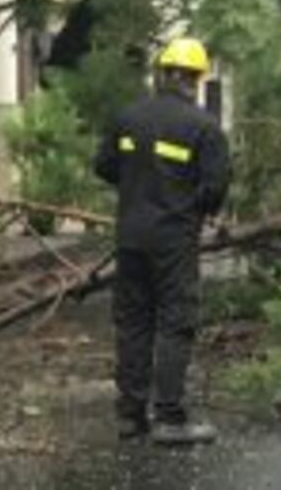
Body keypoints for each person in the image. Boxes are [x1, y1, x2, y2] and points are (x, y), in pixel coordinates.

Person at [94, 37, 231, 445]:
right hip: (173, 239)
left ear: (163, 74)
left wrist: (139, 187)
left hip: (131, 235)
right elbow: (215, 189)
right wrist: (186, 204)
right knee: (176, 322)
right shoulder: (205, 127)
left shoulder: (128, 117)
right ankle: (170, 418)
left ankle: (131, 416)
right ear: (196, 79)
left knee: (133, 322)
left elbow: (103, 167)